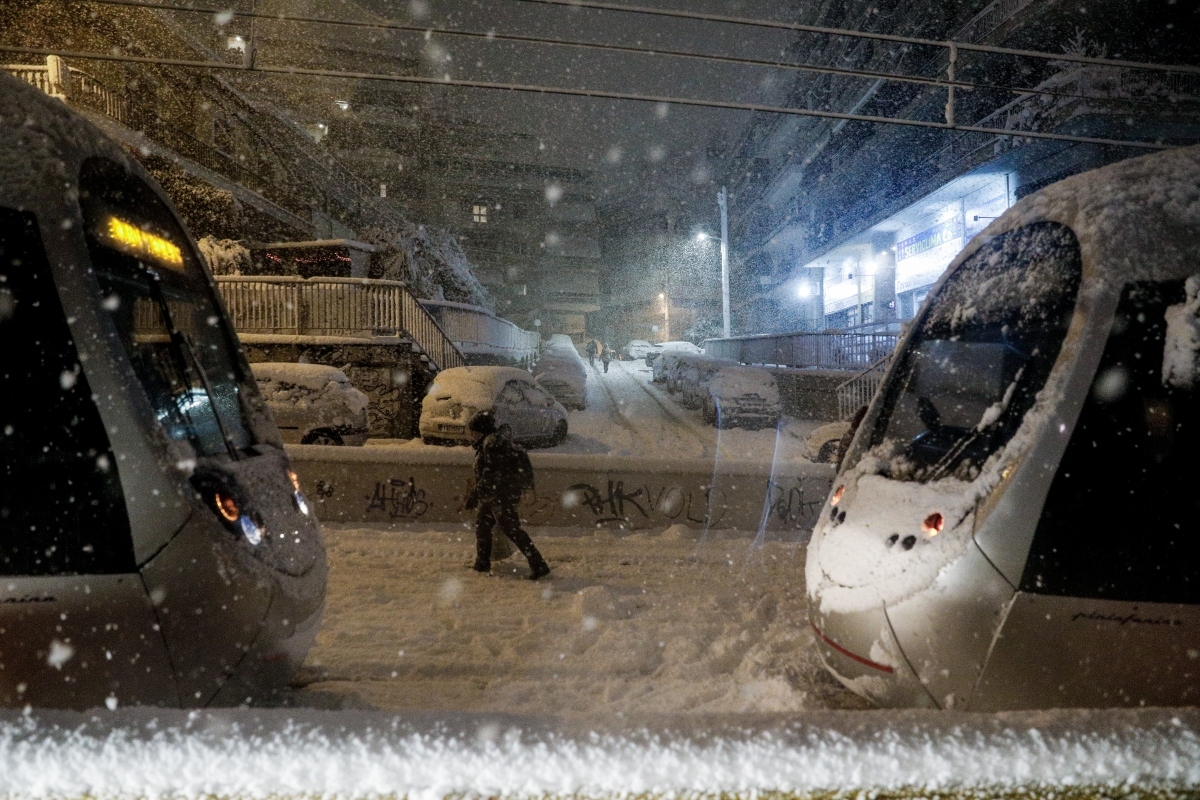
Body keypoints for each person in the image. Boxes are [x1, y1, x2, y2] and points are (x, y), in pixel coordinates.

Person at [464, 411, 551, 580]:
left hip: (501, 496)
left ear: (481, 431)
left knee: (511, 530)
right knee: (483, 526)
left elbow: (492, 475)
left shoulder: (493, 444)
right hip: (496, 495)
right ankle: (482, 563)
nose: (472, 436)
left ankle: (539, 564)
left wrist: (476, 494)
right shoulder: (491, 441)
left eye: (473, 432)